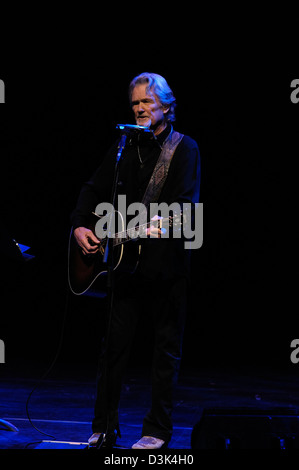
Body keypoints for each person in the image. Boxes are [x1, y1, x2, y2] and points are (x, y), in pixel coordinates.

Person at [70, 72, 201, 449]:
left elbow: (183, 211)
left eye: (147, 102)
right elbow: (92, 189)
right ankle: (104, 426)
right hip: (124, 267)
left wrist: (143, 227)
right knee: (112, 348)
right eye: (135, 103)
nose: (141, 108)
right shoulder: (125, 146)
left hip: (167, 268)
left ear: (167, 106)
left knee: (164, 353)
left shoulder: (184, 148)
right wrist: (80, 225)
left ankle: (156, 431)